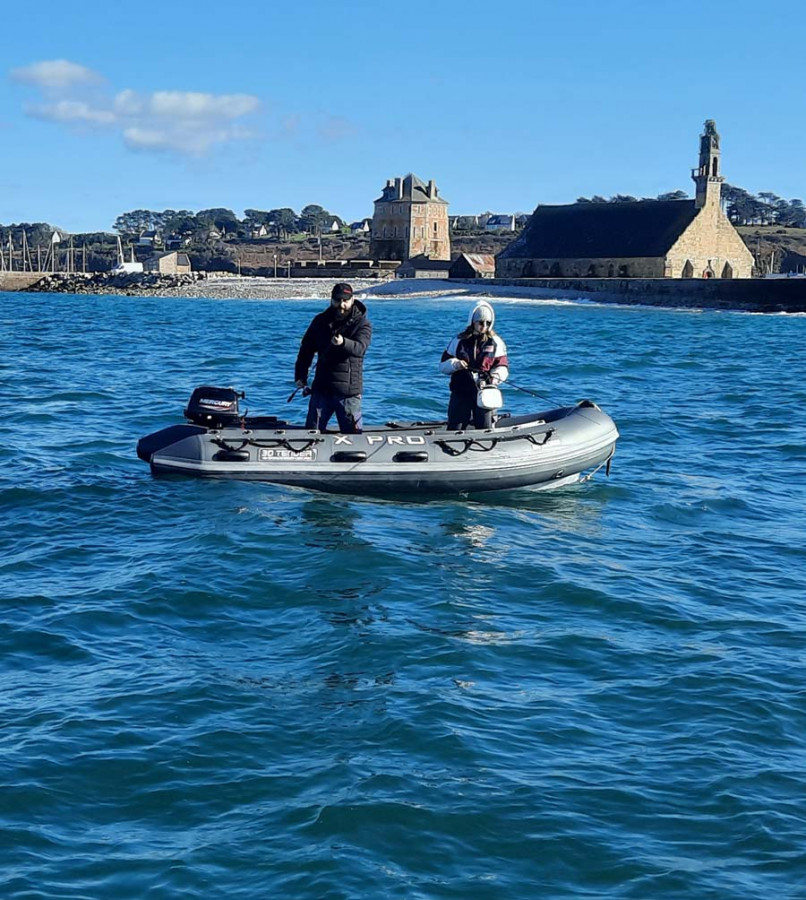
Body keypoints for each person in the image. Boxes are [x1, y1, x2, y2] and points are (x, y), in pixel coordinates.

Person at [294, 282, 372, 433]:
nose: (341, 305)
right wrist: (300, 376)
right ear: (331, 300)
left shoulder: (363, 324)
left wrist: (343, 343)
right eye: (337, 300)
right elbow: (306, 350)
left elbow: (360, 348)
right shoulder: (320, 321)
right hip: (321, 390)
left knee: (353, 436)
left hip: (348, 394)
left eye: (345, 301)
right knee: (311, 434)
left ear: (352, 300)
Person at [439, 301, 509, 429]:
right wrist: (455, 364)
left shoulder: (496, 342)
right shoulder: (459, 340)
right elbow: (443, 366)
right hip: (461, 390)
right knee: (456, 426)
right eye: (481, 322)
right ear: (473, 322)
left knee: (485, 428)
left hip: (485, 391)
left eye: (487, 323)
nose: (484, 326)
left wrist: (496, 376)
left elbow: (502, 366)